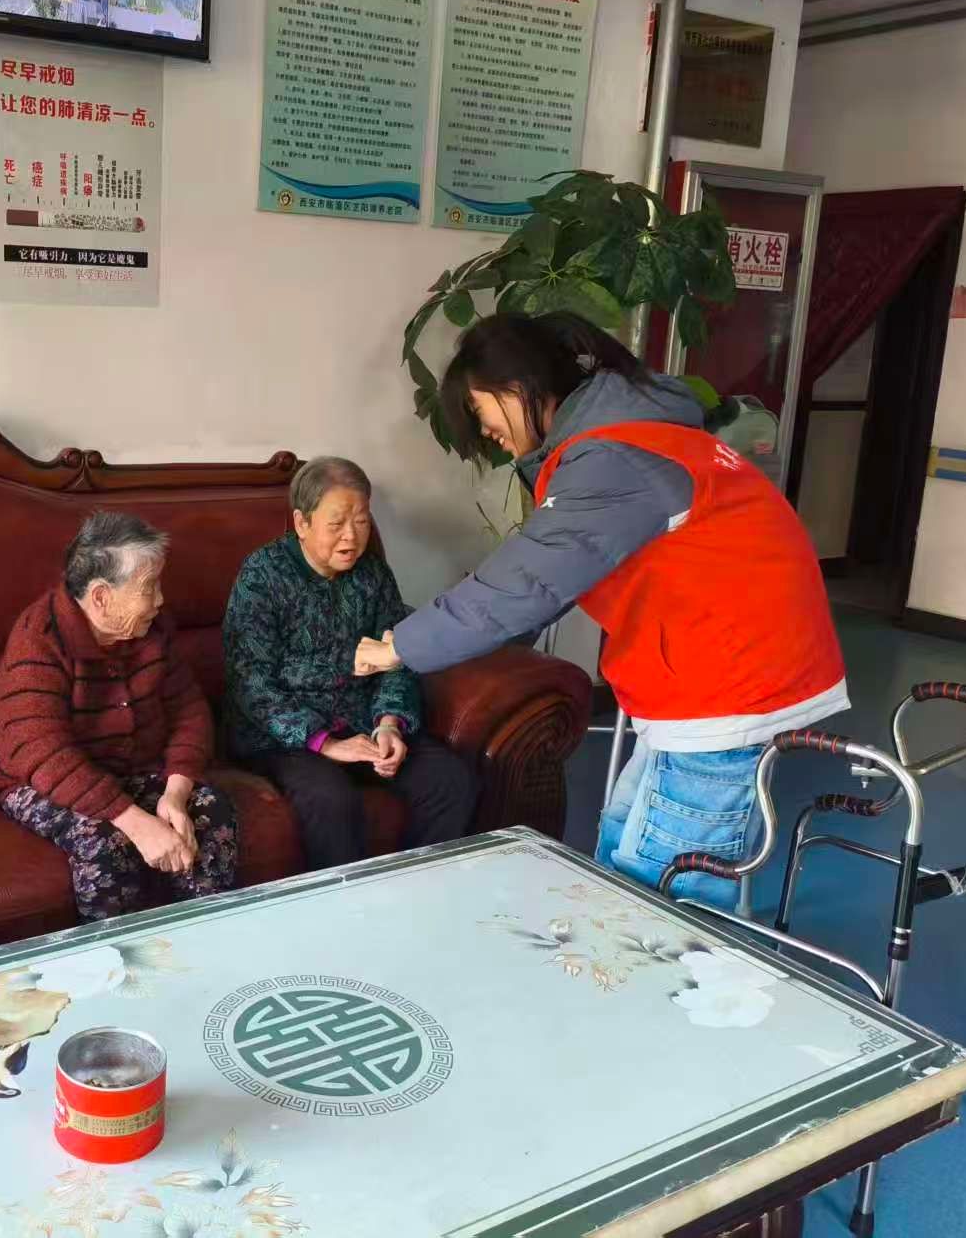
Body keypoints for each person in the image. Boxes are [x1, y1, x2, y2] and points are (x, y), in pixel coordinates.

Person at [355, 313, 847, 908]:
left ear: (516, 388)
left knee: (663, 896)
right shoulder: (637, 439)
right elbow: (550, 582)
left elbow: (528, 580)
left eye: (479, 410)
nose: (484, 431)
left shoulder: (616, 457)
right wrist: (464, 646)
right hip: (715, 673)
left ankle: (676, 968)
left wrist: (400, 646)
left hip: (727, 686)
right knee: (621, 846)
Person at [0, 512, 238, 922]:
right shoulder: (40, 637)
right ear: (100, 596)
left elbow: (189, 709)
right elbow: (43, 754)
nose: (160, 600)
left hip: (130, 769)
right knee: (104, 841)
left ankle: (203, 938)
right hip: (33, 778)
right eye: (149, 587)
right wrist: (135, 822)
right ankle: (120, 956)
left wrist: (176, 794)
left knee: (209, 810)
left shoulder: (152, 628)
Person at [223, 458, 480, 870]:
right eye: (337, 523)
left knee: (448, 780)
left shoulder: (373, 574)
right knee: (330, 801)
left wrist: (389, 724)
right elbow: (250, 682)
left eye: (361, 521)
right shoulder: (262, 576)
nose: (351, 536)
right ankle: (349, 905)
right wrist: (326, 743)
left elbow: (397, 655)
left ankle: (419, 888)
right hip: (288, 739)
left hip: (363, 722)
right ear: (302, 523)